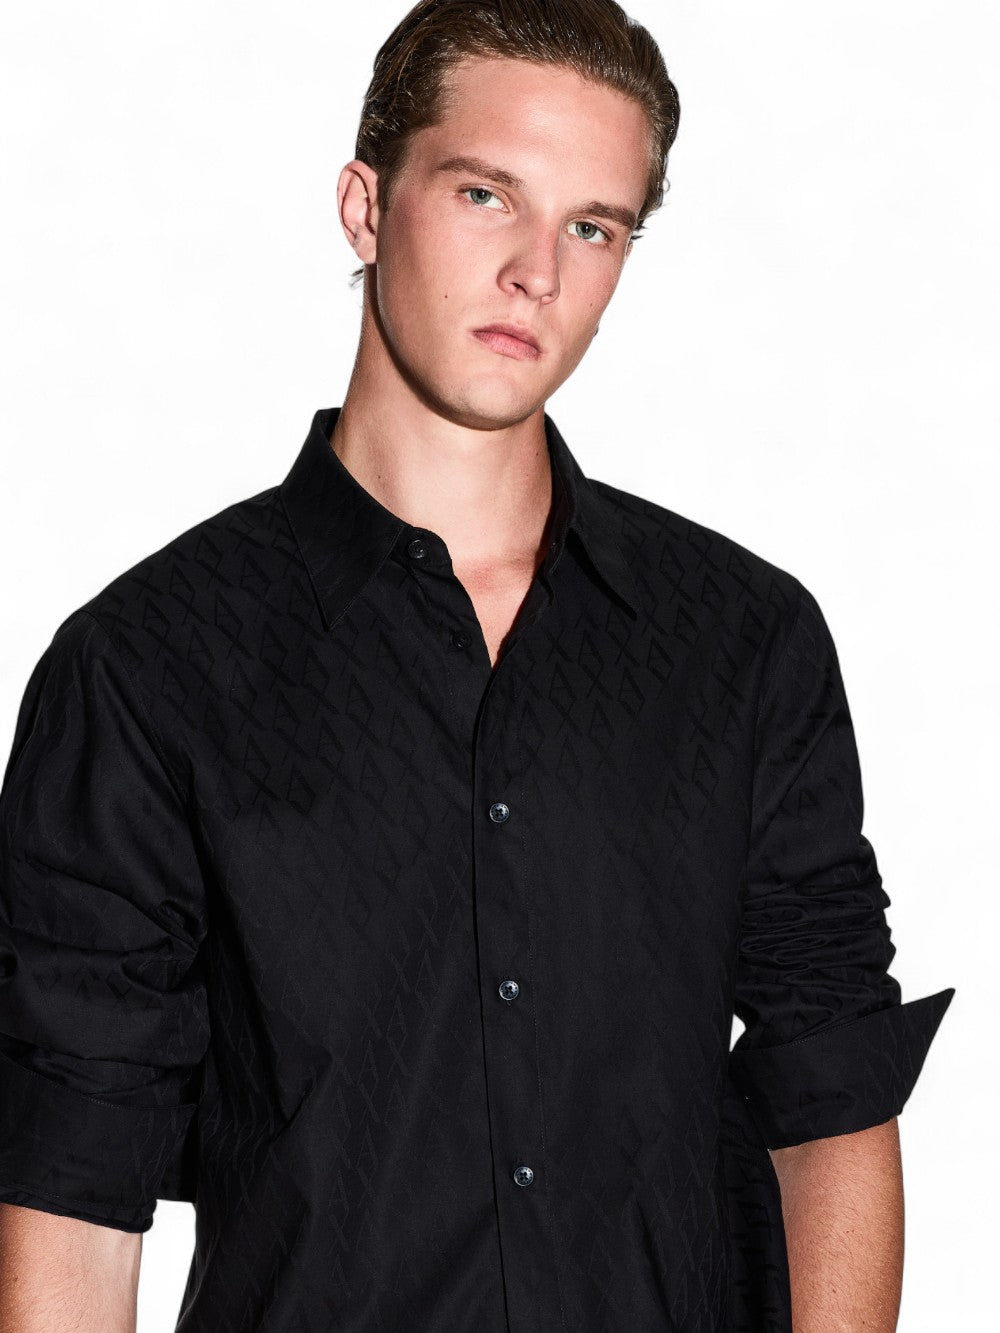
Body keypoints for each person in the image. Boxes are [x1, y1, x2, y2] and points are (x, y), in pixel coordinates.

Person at [0, 2, 954, 1330]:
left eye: (593, 226)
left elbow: (831, 1085)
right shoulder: (147, 668)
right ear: (365, 206)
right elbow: (74, 1177)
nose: (536, 273)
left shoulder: (743, 642)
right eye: (485, 194)